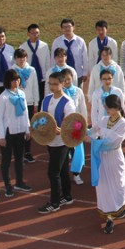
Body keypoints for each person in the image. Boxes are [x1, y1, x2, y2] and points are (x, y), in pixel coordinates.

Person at [86, 94, 125, 234]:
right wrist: (81, 131)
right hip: (102, 158)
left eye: (111, 109)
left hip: (114, 157)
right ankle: (108, 215)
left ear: (117, 108)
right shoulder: (104, 119)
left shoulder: (123, 124)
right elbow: (93, 130)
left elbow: (113, 142)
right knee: (104, 185)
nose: (108, 112)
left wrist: (93, 141)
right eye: (107, 108)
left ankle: (121, 206)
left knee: (117, 183)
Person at [38, 71, 77, 214]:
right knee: (62, 170)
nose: (52, 86)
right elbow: (42, 117)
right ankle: (66, 195)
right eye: (50, 84)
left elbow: (72, 124)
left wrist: (61, 130)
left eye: (55, 84)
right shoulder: (47, 99)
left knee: (53, 172)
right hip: (50, 140)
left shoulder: (68, 102)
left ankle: (55, 202)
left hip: (61, 142)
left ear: (63, 84)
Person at [0, 70, 31, 197]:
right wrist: (0, 136)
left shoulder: (22, 94)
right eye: (13, 80)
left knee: (19, 158)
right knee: (6, 160)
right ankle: (7, 185)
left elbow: (26, 113)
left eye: (17, 79)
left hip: (20, 131)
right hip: (8, 133)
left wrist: (27, 129)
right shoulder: (3, 97)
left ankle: (19, 182)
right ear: (8, 81)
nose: (16, 82)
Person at [61, 70, 88, 186]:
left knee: (77, 151)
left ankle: (76, 174)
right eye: (64, 80)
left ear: (72, 78)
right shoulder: (59, 93)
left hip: (77, 126)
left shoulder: (78, 91)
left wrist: (84, 124)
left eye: (69, 79)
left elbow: (83, 108)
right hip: (64, 127)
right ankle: (64, 175)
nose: (67, 82)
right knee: (64, 152)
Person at [13, 48, 39, 163]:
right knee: (18, 129)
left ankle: (27, 152)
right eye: (19, 58)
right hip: (16, 103)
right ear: (15, 59)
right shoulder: (12, 71)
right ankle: (19, 153)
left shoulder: (32, 70)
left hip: (28, 102)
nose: (21, 60)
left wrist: (36, 103)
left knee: (28, 129)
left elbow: (35, 87)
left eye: (23, 57)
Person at [51, 18, 89, 87]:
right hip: (61, 75)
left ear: (73, 27)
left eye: (69, 26)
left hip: (78, 74)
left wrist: (85, 72)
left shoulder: (80, 41)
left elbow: (85, 58)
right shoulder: (57, 42)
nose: (67, 29)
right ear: (61, 29)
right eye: (64, 27)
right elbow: (53, 59)